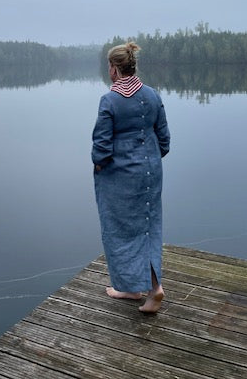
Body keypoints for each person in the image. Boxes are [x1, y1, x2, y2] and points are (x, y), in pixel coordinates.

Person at [92, 41, 170, 313]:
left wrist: (100, 166)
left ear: (113, 69)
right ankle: (137, 288)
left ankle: (150, 288)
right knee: (147, 228)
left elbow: (101, 147)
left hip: (120, 176)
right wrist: (148, 158)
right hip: (151, 172)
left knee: (121, 231)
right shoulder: (152, 95)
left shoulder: (110, 100)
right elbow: (165, 140)